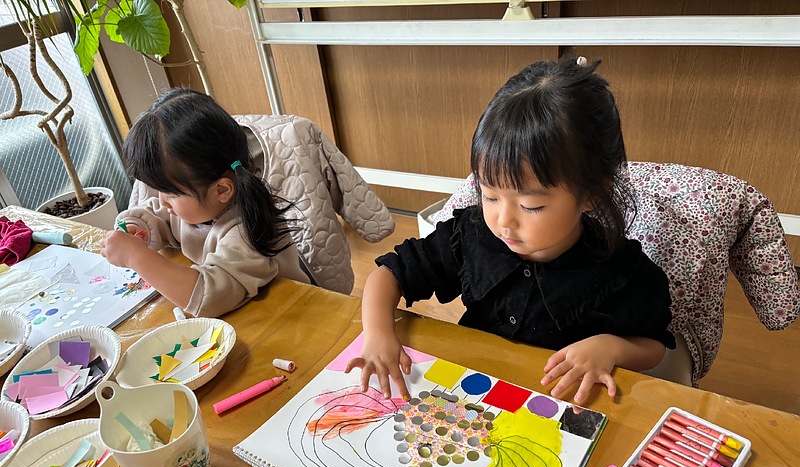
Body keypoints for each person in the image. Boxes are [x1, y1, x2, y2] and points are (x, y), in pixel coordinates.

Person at [345, 56, 675, 405]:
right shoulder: (472, 234)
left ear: (590, 194)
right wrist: (378, 333)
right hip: (475, 392)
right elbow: (389, 273)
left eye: (531, 206)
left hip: (559, 404)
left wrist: (611, 347)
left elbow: (654, 347)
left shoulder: (623, 272)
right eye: (489, 195)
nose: (504, 220)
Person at [100, 88, 309, 317]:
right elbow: (157, 215)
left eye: (171, 194)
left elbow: (208, 296)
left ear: (222, 190)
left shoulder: (246, 229)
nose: (162, 201)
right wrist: (137, 228)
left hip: (287, 316)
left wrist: (136, 257)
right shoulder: (199, 205)